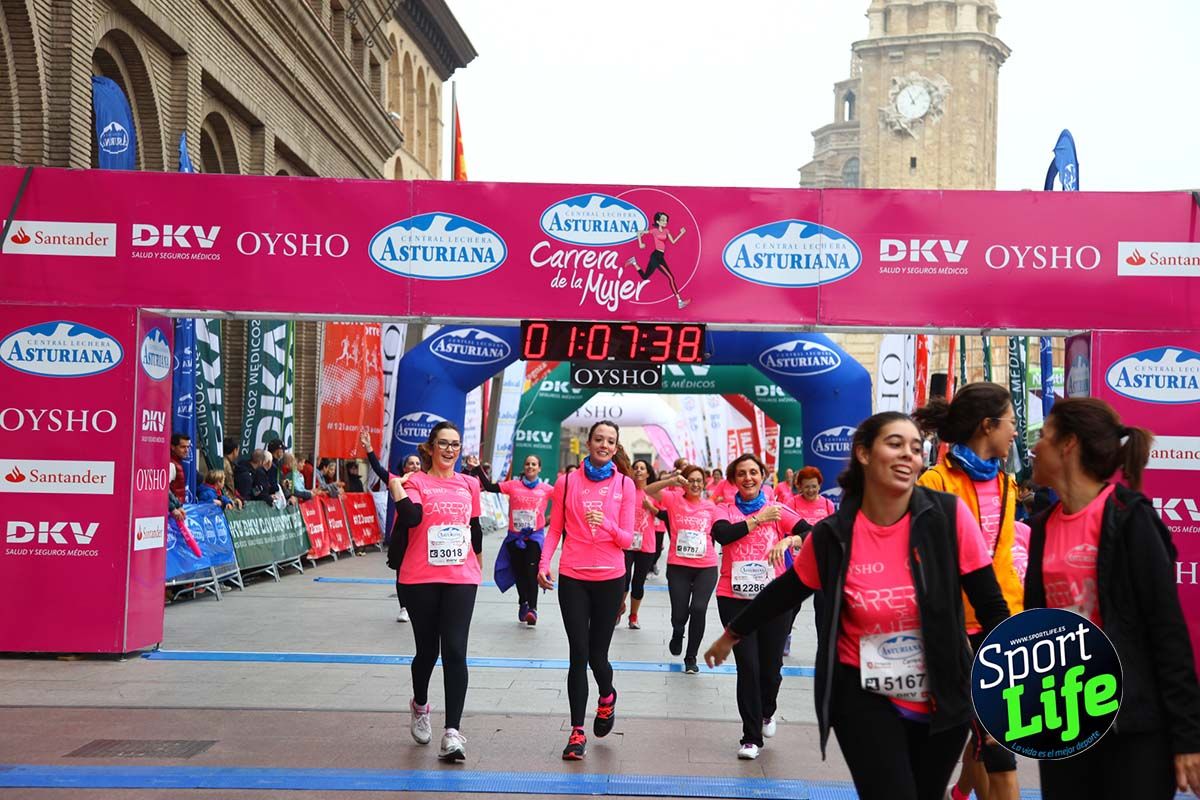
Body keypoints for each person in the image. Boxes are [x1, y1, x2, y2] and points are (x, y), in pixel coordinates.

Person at [705, 412, 1010, 800]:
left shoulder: (948, 516)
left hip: (942, 694)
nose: (909, 456)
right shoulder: (835, 534)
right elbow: (787, 590)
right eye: (895, 444)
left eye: (916, 448)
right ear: (864, 454)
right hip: (862, 694)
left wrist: (1007, 674)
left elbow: (990, 604)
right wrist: (732, 634)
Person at [1025, 398, 1200, 800]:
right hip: (1063, 721)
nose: (1034, 448)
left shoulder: (1129, 517)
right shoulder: (1041, 528)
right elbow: (1036, 632)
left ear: (1069, 444)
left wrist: (1188, 737)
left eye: (1044, 437)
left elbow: (1166, 629)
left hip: (1131, 726)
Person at [913, 382, 1025, 800]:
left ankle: (959, 794)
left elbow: (1004, 559)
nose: (1015, 432)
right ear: (987, 425)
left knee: (987, 734)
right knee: (998, 749)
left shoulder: (1007, 484)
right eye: (1011, 422)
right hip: (956, 633)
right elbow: (922, 563)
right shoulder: (936, 481)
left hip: (1005, 626)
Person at [538, 420, 637, 761]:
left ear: (616, 446)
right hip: (574, 576)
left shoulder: (625, 484)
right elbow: (554, 530)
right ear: (589, 442)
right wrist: (543, 563)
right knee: (578, 654)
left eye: (610, 440)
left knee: (598, 655)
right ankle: (577, 731)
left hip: (610, 577)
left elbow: (627, 539)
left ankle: (607, 696)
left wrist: (606, 524)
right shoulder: (566, 482)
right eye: (599, 439)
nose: (604, 445)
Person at [386, 421, 483, 762]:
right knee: (427, 651)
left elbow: (475, 528)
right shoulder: (416, 482)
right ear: (430, 447)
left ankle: (452, 733)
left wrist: (478, 567)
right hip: (421, 577)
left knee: (455, 650)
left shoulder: (470, 484)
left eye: (455, 444)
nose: (450, 449)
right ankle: (420, 704)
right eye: (443, 443)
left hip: (461, 576)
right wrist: (397, 488)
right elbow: (412, 518)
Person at [711, 453, 810, 759]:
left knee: (771, 670)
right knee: (748, 668)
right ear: (733, 479)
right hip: (733, 597)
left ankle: (767, 711)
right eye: (741, 473)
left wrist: (789, 541)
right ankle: (750, 737)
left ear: (763, 476)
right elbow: (723, 535)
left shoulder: (778, 510)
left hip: (774, 598)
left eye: (754, 472)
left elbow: (810, 532)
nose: (748, 478)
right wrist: (757, 520)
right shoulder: (723, 509)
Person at [647, 463, 721, 673]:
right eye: (692, 480)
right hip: (678, 566)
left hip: (706, 566)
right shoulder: (673, 499)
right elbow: (647, 490)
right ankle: (678, 631)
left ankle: (691, 657)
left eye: (699, 480)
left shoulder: (710, 507)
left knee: (698, 609)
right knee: (679, 614)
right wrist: (671, 481)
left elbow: (723, 530)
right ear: (685, 483)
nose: (696, 484)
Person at [467, 452, 554, 626]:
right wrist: (477, 468)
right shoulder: (513, 485)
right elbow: (490, 487)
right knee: (520, 574)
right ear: (524, 467)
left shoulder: (547, 489)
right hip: (515, 537)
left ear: (539, 469)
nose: (530, 467)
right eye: (527, 464)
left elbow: (566, 500)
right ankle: (523, 603)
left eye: (534, 464)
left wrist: (550, 519)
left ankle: (533, 609)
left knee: (531, 573)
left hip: (534, 538)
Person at [359, 429, 417, 623]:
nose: (415, 466)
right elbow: (377, 468)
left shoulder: (427, 482)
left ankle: (422, 606)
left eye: (418, 463)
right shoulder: (395, 481)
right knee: (402, 571)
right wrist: (368, 448)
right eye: (411, 463)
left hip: (421, 533)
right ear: (404, 467)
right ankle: (404, 607)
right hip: (402, 533)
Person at [619, 458, 660, 630]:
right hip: (627, 542)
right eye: (635, 468)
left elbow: (663, 515)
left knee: (638, 582)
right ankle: (618, 607)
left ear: (648, 473)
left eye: (642, 468)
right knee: (623, 579)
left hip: (647, 544)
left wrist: (651, 507)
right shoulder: (625, 490)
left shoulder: (654, 493)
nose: (638, 471)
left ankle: (633, 615)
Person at [626, 211, 690, 309]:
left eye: (666, 220)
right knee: (671, 278)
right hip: (656, 256)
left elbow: (673, 242)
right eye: (663, 220)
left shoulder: (666, 231)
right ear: (657, 221)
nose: (665, 222)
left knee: (645, 277)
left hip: (660, 256)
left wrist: (681, 233)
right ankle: (679, 301)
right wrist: (640, 243)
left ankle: (634, 262)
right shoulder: (654, 231)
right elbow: (639, 232)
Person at [170, 433, 191, 503]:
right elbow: (164, 490)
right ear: (173, 447)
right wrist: (175, 508)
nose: (186, 450)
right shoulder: (171, 464)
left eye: (188, 447)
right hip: (174, 512)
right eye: (183, 447)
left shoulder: (178, 462)